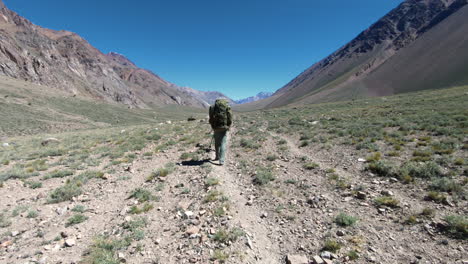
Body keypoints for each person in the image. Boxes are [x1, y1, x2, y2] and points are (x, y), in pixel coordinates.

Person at [209, 99, 232, 165]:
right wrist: (229, 125)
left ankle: (217, 157)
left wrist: (212, 125)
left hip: (215, 127)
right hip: (224, 127)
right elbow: (230, 116)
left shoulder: (212, 107)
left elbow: (210, 117)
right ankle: (221, 160)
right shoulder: (227, 106)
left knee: (217, 142)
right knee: (223, 143)